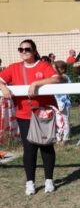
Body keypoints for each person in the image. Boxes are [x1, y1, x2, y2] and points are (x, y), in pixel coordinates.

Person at [0, 39, 64, 195]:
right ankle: (30, 183)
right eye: (20, 49)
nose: (23, 52)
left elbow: (58, 78)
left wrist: (36, 83)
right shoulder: (14, 68)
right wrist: (3, 87)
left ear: (34, 51)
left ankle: (49, 180)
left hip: (44, 113)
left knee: (46, 146)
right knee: (29, 148)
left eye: (27, 49)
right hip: (24, 114)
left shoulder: (43, 65)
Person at [54, 60, 72, 145]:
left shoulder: (65, 77)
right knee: (57, 120)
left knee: (65, 120)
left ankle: (65, 138)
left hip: (64, 102)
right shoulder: (53, 77)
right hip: (56, 101)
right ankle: (59, 137)